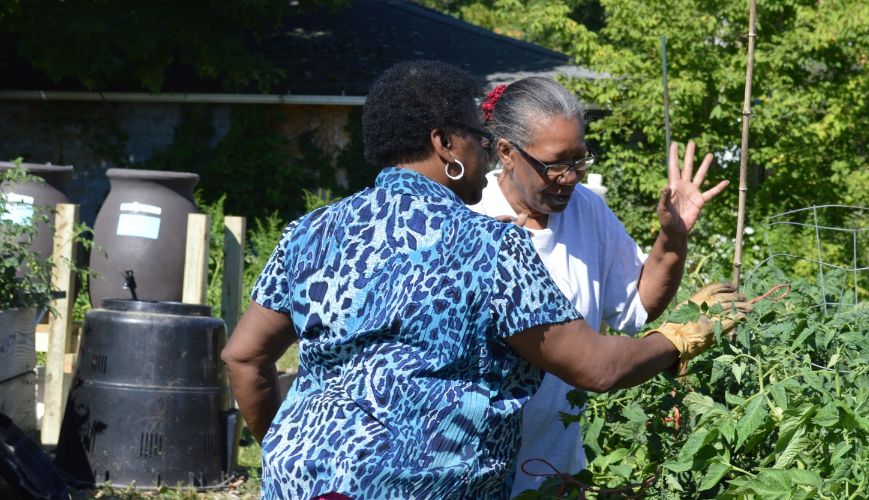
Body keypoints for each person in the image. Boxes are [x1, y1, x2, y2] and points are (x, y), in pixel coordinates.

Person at [221, 61, 749, 499]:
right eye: (477, 136)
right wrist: (681, 338)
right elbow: (596, 366)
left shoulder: (313, 231)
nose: (483, 149)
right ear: (446, 143)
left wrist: (289, 445)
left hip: (300, 484)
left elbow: (243, 357)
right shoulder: (489, 244)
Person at [468, 77, 729, 496]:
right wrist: (675, 342)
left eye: (580, 158)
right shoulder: (470, 217)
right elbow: (595, 366)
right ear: (506, 152)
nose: (570, 177)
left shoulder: (587, 208)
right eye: (555, 163)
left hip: (557, 473)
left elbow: (636, 306)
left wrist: (673, 237)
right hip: (477, 477)